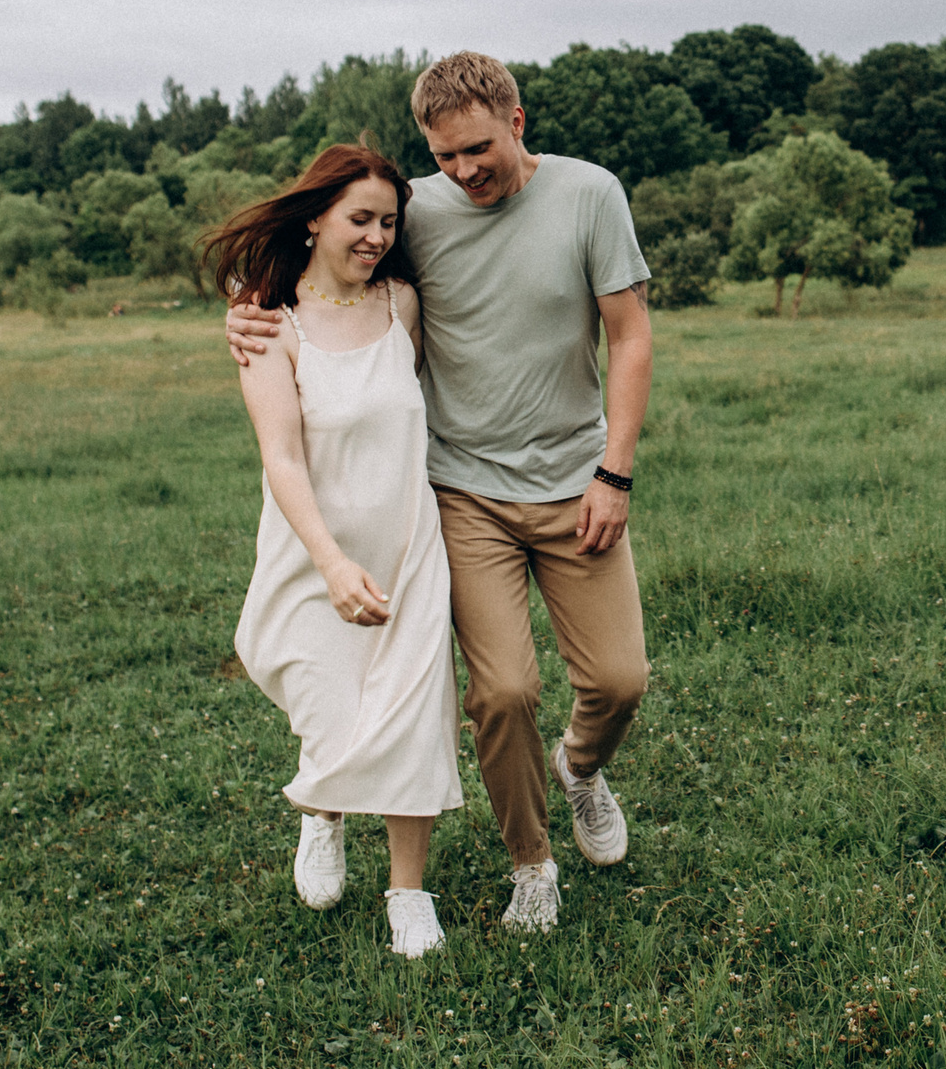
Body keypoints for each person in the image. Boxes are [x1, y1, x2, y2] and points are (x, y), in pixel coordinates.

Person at [227, 51, 652, 934]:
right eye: (444, 155)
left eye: (477, 149)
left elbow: (631, 334)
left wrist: (614, 472)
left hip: (577, 484)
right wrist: (247, 302)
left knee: (619, 680)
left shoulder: (590, 195)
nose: (462, 171)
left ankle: (580, 767)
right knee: (501, 694)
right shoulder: (414, 210)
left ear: (517, 123)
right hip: (463, 493)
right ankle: (532, 865)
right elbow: (333, 253)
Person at [203, 145, 464, 959]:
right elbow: (281, 457)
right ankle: (324, 808)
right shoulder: (268, 323)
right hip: (311, 551)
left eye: (388, 221)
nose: (377, 236)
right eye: (360, 218)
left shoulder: (401, 305)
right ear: (315, 216)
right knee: (331, 707)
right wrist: (331, 562)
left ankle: (408, 892)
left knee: (412, 716)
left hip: (407, 545)